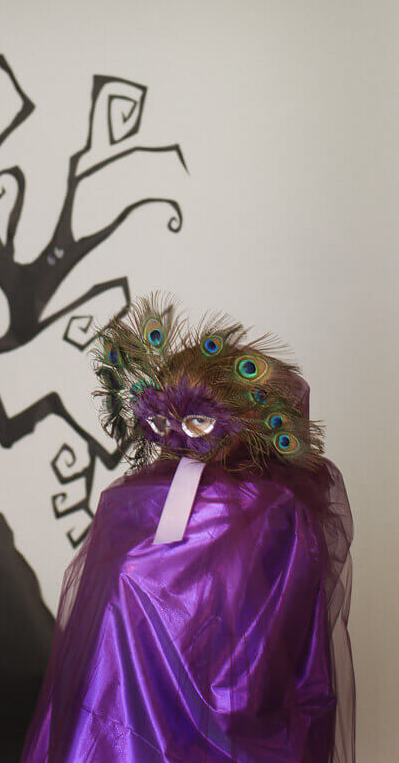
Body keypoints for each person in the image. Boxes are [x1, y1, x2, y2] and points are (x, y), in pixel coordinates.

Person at [21, 293, 355, 763]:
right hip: (130, 722)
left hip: (234, 710)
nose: (178, 437)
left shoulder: (269, 509)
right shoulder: (131, 503)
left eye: (197, 421)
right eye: (164, 422)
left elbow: (272, 637)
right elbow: (112, 628)